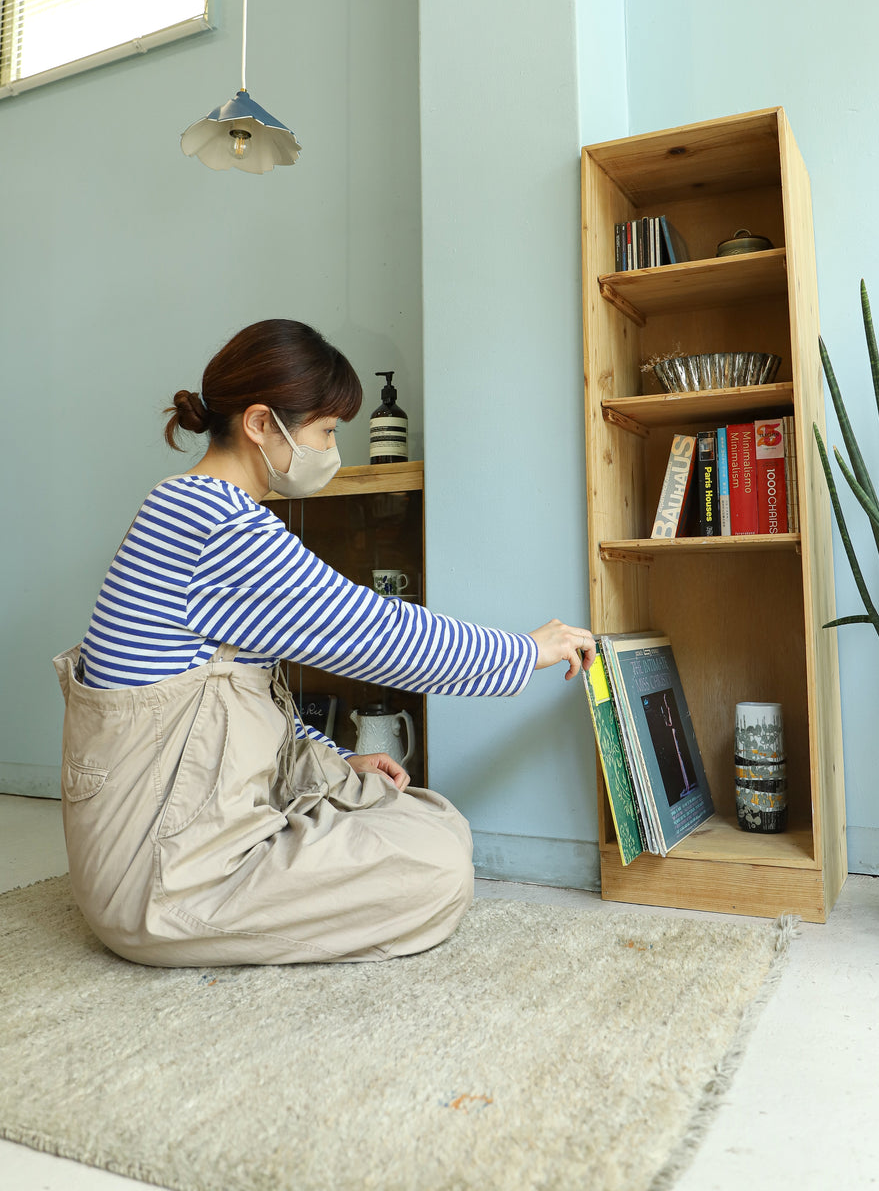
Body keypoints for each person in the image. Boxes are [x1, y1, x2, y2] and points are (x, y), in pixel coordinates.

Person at [55, 319, 595, 968]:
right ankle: (204, 922)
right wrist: (527, 649)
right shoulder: (214, 526)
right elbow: (378, 634)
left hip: (188, 827)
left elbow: (232, 708)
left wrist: (343, 763)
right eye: (326, 432)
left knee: (430, 817)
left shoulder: (194, 508)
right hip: (157, 878)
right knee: (437, 868)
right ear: (261, 424)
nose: (333, 450)